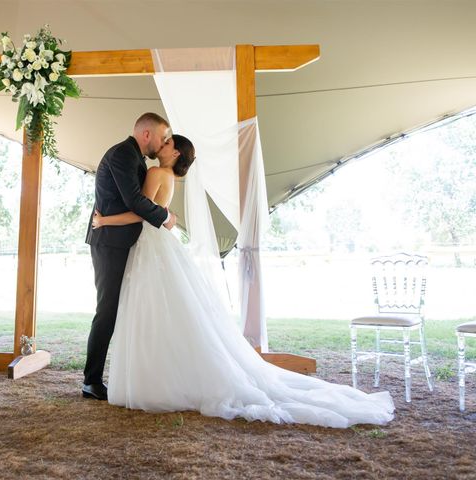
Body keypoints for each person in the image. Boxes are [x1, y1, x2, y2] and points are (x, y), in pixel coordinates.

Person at [91, 134, 395, 428]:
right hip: (157, 245)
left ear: (176, 154)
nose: (163, 144)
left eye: (169, 143)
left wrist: (104, 220)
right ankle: (161, 375)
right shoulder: (168, 177)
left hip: (148, 246)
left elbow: (140, 211)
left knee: (150, 312)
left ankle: (151, 378)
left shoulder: (157, 171)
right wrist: (165, 217)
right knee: (165, 312)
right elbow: (157, 213)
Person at [83, 113, 177, 401]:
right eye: (161, 138)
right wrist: (166, 217)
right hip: (109, 242)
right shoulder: (123, 154)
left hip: (123, 239)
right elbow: (135, 201)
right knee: (108, 308)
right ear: (146, 134)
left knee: (124, 308)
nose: (161, 144)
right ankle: (91, 380)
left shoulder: (135, 158)